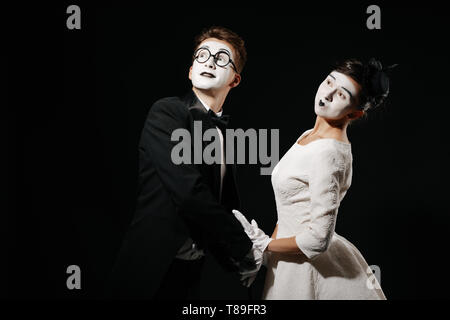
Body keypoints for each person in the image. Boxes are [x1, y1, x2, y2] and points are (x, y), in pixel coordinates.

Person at [106, 26, 262, 299]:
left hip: (190, 272)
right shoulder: (167, 111)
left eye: (222, 58)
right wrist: (243, 247)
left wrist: (242, 258)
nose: (210, 61)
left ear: (235, 80)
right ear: (191, 70)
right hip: (148, 270)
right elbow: (190, 193)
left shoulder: (226, 136)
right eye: (202, 55)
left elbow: (223, 207)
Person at [233, 58, 394, 299]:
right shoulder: (309, 135)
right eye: (329, 81)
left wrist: (263, 245)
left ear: (355, 113)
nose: (327, 94)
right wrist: (265, 257)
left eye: (341, 95)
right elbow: (290, 211)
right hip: (289, 261)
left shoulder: (328, 153)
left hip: (310, 269)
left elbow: (319, 238)